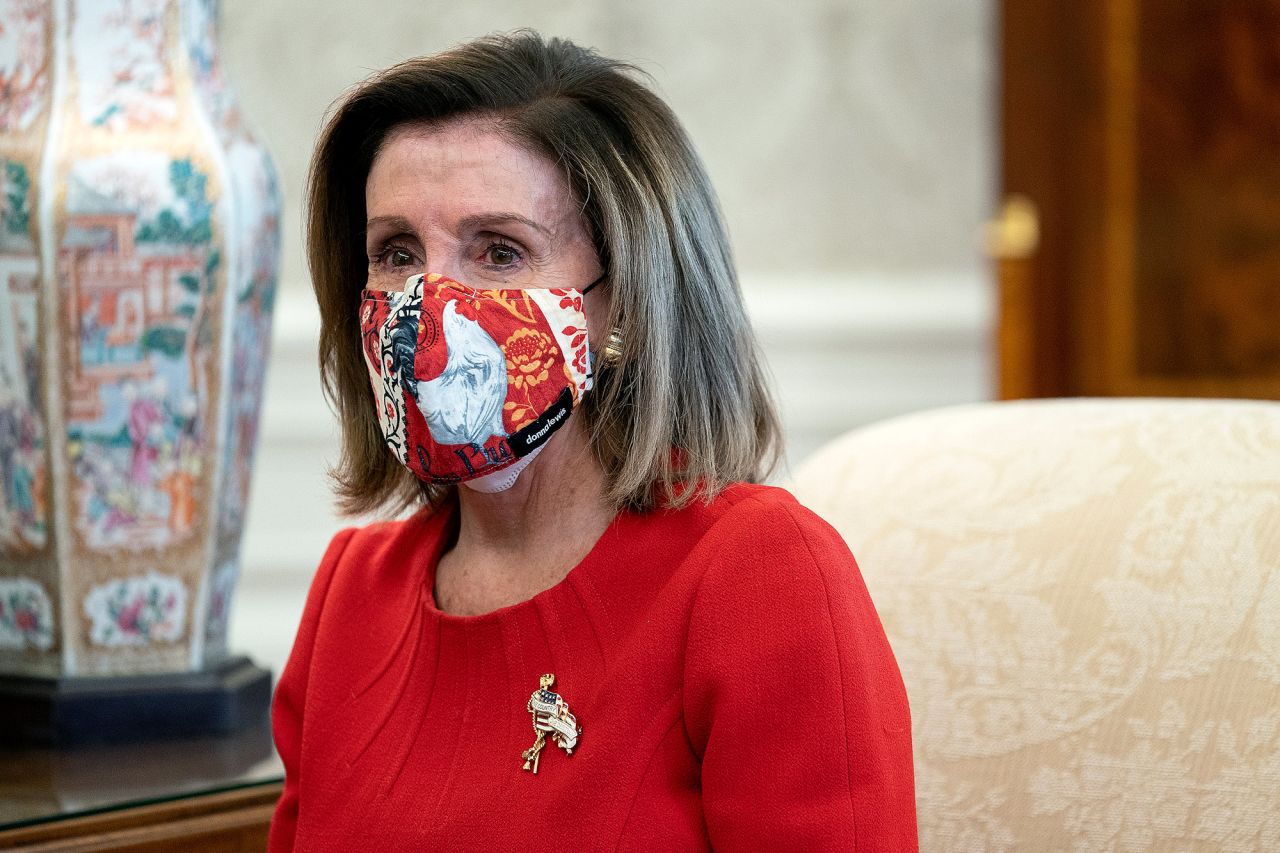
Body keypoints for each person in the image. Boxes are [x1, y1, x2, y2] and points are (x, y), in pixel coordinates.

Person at [268, 30, 917, 851]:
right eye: (396, 252)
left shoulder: (759, 576)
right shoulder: (348, 598)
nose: (424, 304)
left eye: (498, 250)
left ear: (626, 305)